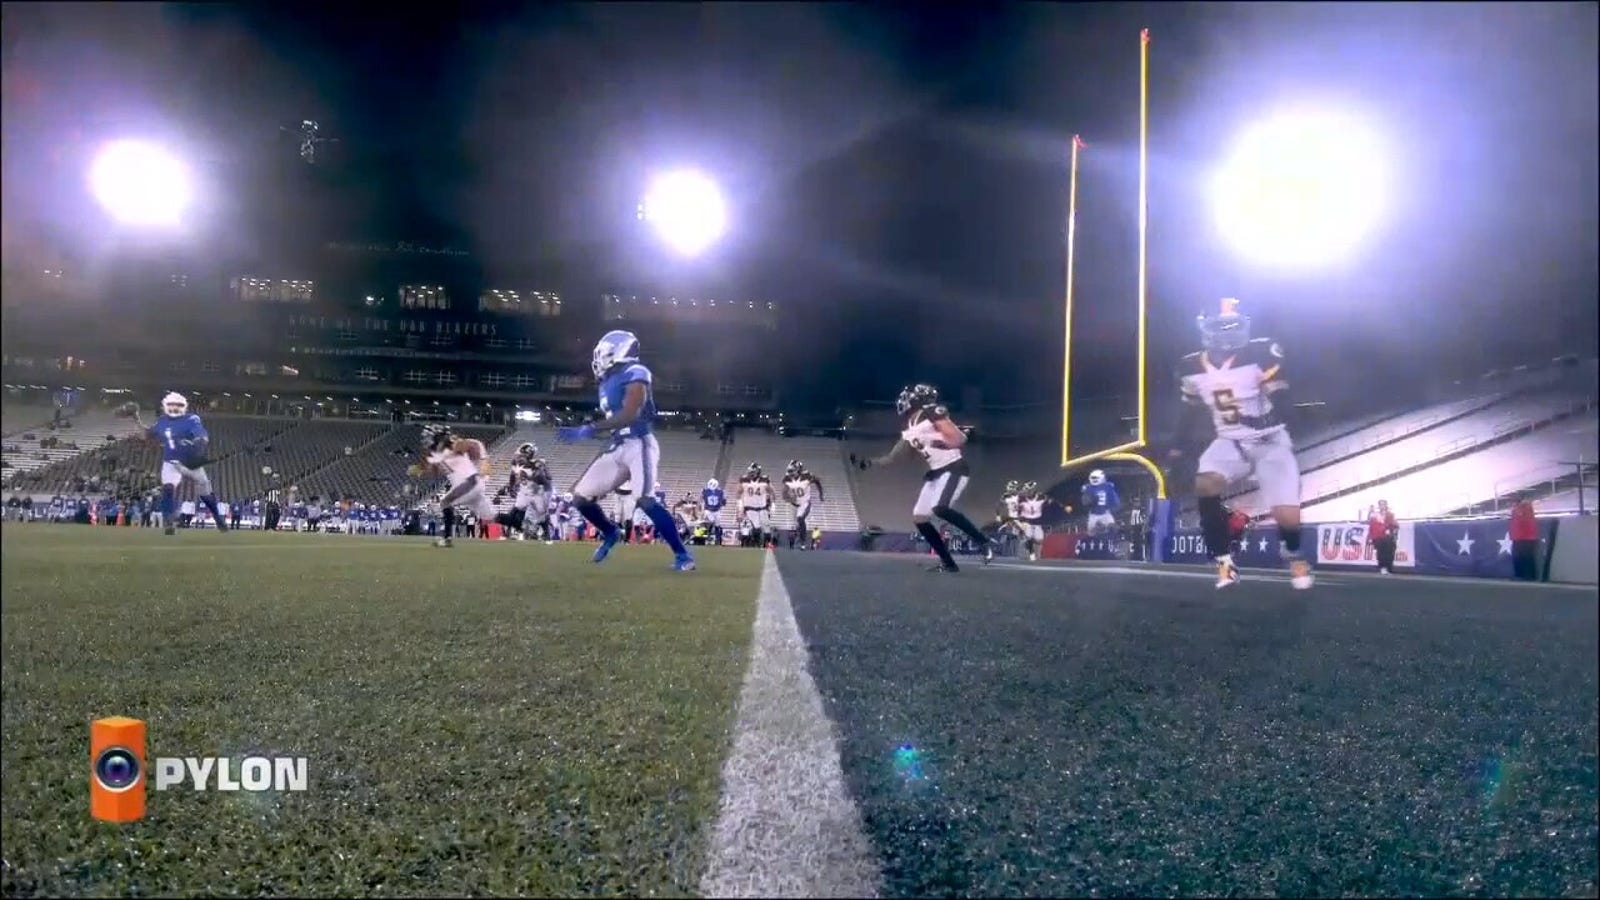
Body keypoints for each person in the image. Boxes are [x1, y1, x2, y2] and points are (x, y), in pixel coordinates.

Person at [1169, 298, 1311, 590]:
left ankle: (1293, 554)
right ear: (1206, 330)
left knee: (1288, 518)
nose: (1230, 331)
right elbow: (1190, 410)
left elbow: (1279, 396)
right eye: (1223, 326)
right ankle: (1224, 563)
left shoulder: (1259, 353)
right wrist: (1177, 447)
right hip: (1230, 442)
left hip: (1269, 440)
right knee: (1205, 484)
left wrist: (1291, 420)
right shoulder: (1190, 367)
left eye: (1235, 324)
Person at [555, 329, 695, 572]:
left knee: (645, 501)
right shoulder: (606, 381)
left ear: (620, 352)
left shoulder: (636, 372)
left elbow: (631, 414)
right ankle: (611, 531)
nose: (599, 359)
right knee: (580, 499)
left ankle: (683, 555)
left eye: (604, 354)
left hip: (639, 442)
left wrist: (589, 428)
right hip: (617, 445)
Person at [861, 383, 995, 573]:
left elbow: (959, 440)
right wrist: (870, 462)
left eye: (909, 396)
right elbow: (893, 457)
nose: (905, 400)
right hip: (937, 472)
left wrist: (938, 440)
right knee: (920, 518)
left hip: (953, 467)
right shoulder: (910, 425)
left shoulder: (930, 411)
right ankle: (948, 563)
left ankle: (983, 541)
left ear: (918, 398)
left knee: (940, 508)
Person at [126, 393, 228, 536]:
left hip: (189, 461)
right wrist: (135, 419)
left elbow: (202, 435)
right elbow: (146, 435)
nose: (174, 408)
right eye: (171, 405)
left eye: (178, 405)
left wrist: (200, 441)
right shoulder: (161, 421)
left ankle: (218, 517)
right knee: (167, 488)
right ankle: (169, 522)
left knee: (205, 492)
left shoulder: (191, 419)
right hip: (171, 461)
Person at [413, 423, 497, 548]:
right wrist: (421, 469)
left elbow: (474, 443)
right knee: (491, 516)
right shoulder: (437, 452)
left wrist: (484, 460)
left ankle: (447, 538)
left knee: (445, 502)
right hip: (468, 484)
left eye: (429, 436)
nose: (427, 440)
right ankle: (520, 528)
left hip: (469, 482)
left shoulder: (452, 443)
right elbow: (435, 467)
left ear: (437, 437)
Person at [1510, 499, 1540, 581]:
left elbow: (1521, 518)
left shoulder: (1524, 508)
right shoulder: (1518, 510)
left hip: (1526, 537)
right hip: (1519, 537)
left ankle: (1529, 575)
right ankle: (1521, 575)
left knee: (1526, 557)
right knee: (1519, 556)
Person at [1367, 500, 1399, 574]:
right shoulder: (1375, 515)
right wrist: (1371, 537)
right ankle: (1382, 567)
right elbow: (1371, 525)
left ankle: (1389, 568)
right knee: (1381, 552)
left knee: (1389, 552)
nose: (1382, 506)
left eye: (1383, 504)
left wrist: (1390, 529)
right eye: (1380, 505)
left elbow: (1394, 524)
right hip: (1379, 537)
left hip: (1389, 537)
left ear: (1386, 505)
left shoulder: (1390, 514)